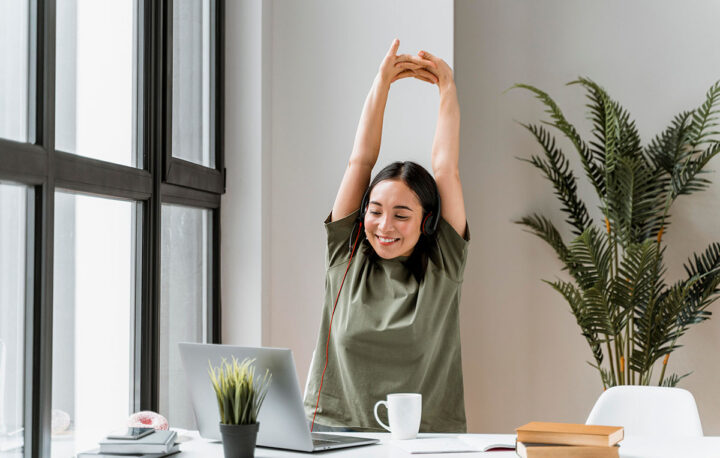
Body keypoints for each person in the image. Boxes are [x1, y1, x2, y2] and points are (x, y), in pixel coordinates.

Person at [303, 39, 469, 433]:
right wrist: (382, 84)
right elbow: (360, 159)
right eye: (375, 211)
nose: (384, 225)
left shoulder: (444, 263)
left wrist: (447, 87)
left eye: (401, 215)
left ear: (428, 221)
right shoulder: (346, 253)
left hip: (425, 443)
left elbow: (446, 170)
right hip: (332, 434)